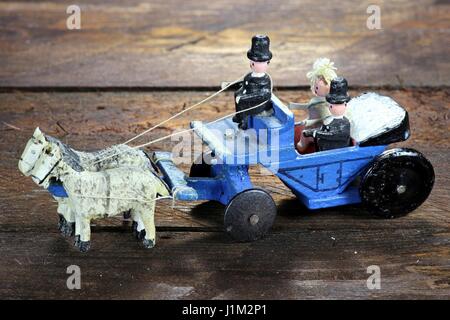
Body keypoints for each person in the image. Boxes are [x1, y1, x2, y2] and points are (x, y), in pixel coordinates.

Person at [290, 58, 338, 153]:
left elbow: (326, 119)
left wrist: (309, 122)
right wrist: (295, 106)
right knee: (303, 129)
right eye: (315, 87)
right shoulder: (317, 101)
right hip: (311, 123)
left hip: (317, 127)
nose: (315, 90)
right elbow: (309, 106)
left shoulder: (323, 104)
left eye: (318, 88)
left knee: (305, 134)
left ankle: (301, 147)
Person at [232, 35, 273, 130]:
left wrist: (245, 98)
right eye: (252, 62)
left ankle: (244, 121)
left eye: (256, 63)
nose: (252, 64)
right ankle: (239, 116)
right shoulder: (250, 76)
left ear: (267, 63)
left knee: (241, 101)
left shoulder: (265, 80)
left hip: (259, 104)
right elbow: (245, 84)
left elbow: (265, 95)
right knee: (237, 94)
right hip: (249, 98)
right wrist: (230, 84)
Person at [303, 77, 351, 151]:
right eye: (331, 104)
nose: (331, 107)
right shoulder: (329, 119)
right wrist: (313, 131)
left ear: (345, 105)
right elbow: (325, 130)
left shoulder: (344, 123)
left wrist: (315, 133)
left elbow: (333, 135)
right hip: (323, 150)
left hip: (335, 154)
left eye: (338, 104)